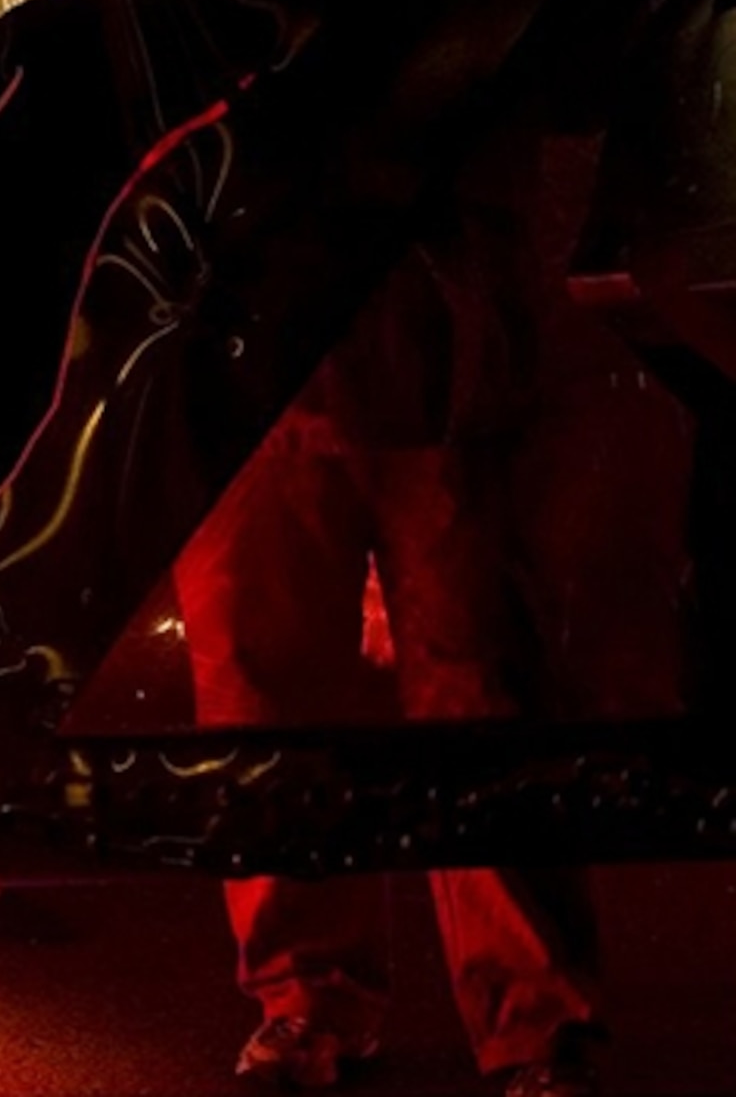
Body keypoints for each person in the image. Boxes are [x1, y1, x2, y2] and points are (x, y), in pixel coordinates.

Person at [176, 126, 606, 1097]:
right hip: (252, 336)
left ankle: (531, 1017)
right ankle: (313, 996)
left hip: (425, 322)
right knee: (263, 688)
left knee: (481, 685)